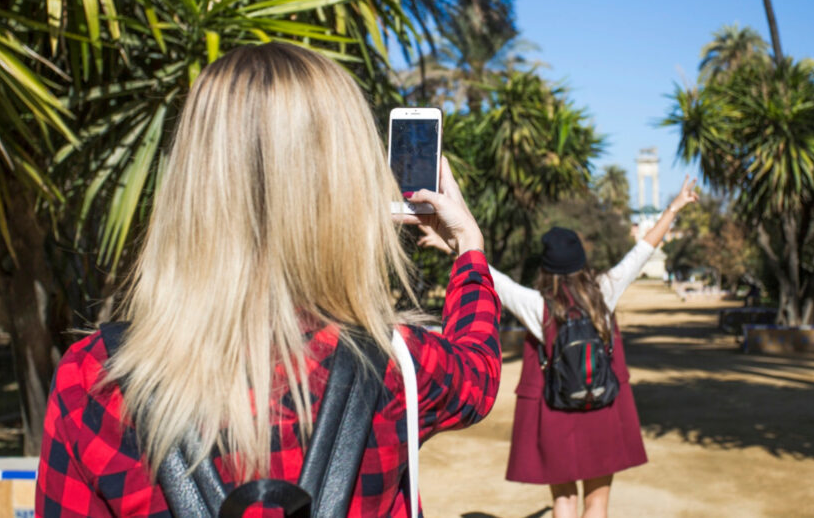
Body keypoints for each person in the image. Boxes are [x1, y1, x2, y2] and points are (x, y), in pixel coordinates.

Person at [35, 42, 501, 517]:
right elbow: (479, 371)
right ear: (345, 184)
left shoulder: (92, 378)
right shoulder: (397, 365)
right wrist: (468, 248)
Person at [418, 177, 698, 518]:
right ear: (581, 261)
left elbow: (493, 279)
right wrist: (675, 207)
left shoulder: (538, 306)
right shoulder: (602, 292)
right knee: (597, 504)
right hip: (602, 406)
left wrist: (452, 245)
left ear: (546, 267)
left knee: (563, 502)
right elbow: (643, 252)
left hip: (556, 409)